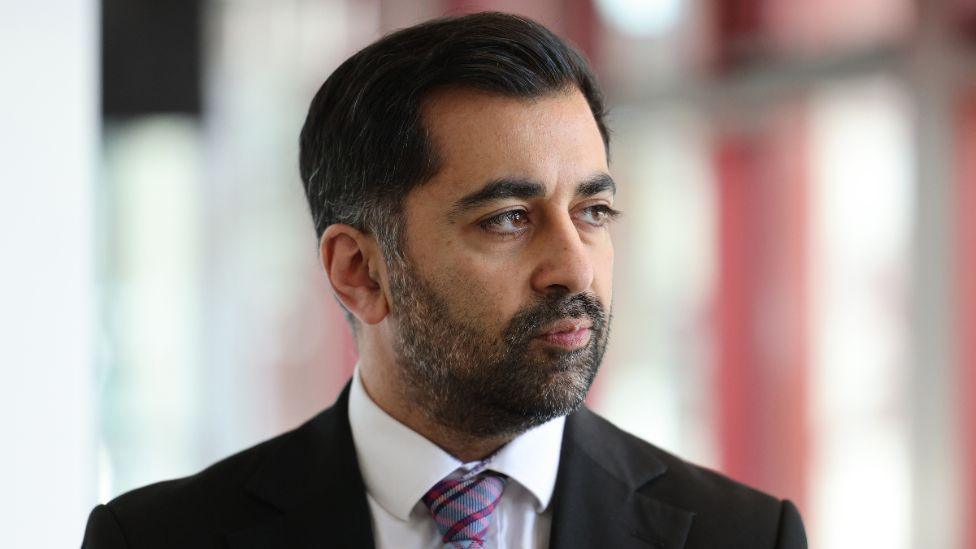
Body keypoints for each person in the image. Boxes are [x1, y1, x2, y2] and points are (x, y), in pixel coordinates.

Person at [82, 11, 807, 549]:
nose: (574, 266)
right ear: (360, 271)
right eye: (508, 218)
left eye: (593, 209)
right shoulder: (158, 540)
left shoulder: (741, 535)